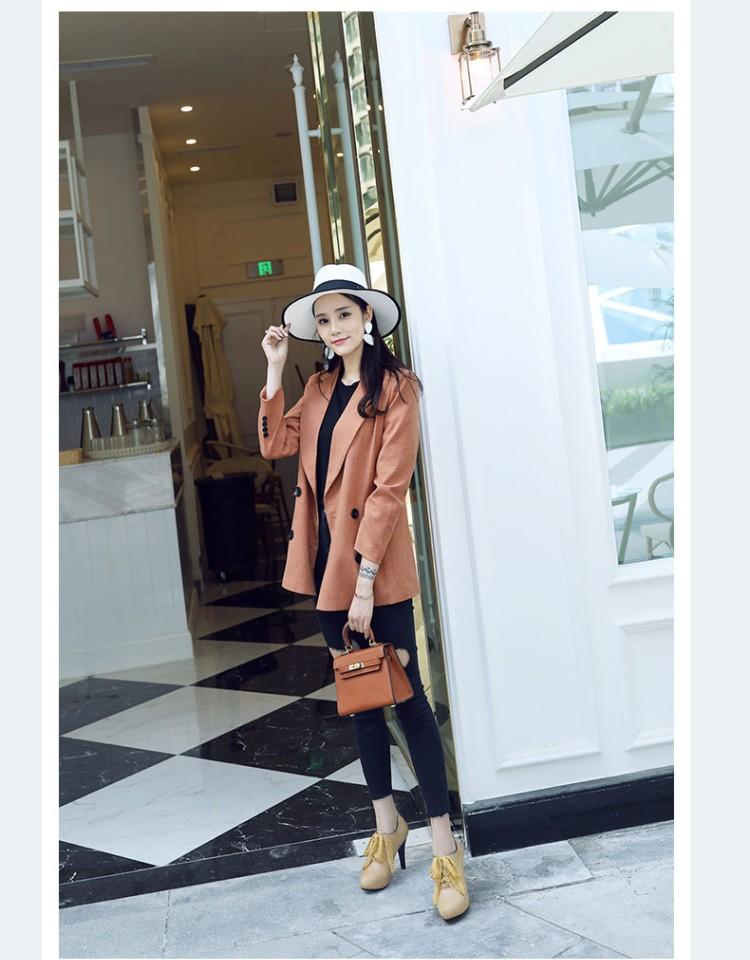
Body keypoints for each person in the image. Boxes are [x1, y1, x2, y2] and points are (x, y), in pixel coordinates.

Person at [257, 263, 470, 921]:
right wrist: (274, 370)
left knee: (409, 702)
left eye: (344, 315)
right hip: (327, 569)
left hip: (373, 569)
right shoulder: (318, 387)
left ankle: (444, 850)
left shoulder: (398, 389)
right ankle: (386, 827)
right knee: (361, 700)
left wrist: (367, 582)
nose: (334, 328)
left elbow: (389, 490)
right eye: (323, 321)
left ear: (367, 317)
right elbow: (275, 443)